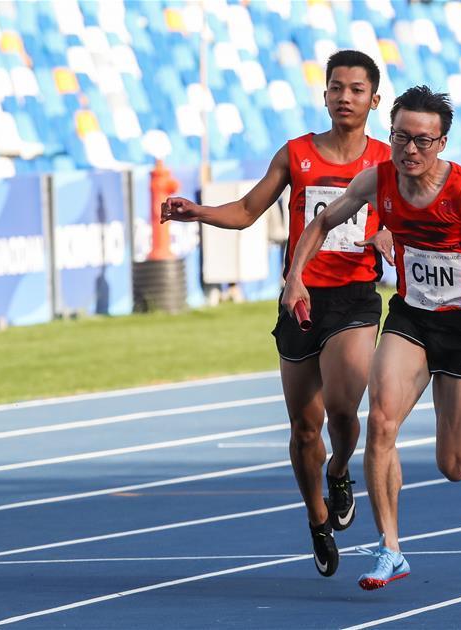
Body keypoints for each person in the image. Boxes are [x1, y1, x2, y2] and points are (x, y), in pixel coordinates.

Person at [281, 86, 461, 590]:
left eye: (422, 141)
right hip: (411, 320)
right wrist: (296, 276)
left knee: (455, 465)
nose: (410, 151)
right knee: (380, 422)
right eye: (401, 137)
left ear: (441, 143)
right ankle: (390, 549)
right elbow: (322, 221)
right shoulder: (377, 179)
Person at [161, 50, 393, 578]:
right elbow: (246, 211)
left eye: (357, 90)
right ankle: (316, 517)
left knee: (342, 408)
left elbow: (407, 223)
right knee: (304, 428)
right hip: (300, 297)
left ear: (374, 100)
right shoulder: (296, 155)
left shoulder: (385, 159)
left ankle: (340, 471)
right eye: (336, 87)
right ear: (325, 94)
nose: (345, 97)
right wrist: (196, 212)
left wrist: (388, 238)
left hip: (355, 298)